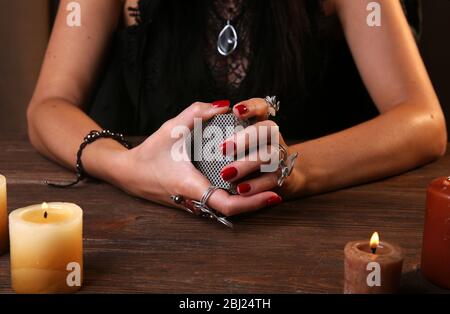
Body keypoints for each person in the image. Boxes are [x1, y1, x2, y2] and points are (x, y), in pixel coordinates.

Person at [27, 0, 447, 218]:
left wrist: (294, 169)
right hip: (145, 237)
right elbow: (47, 107)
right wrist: (129, 168)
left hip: (302, 235)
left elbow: (424, 121)